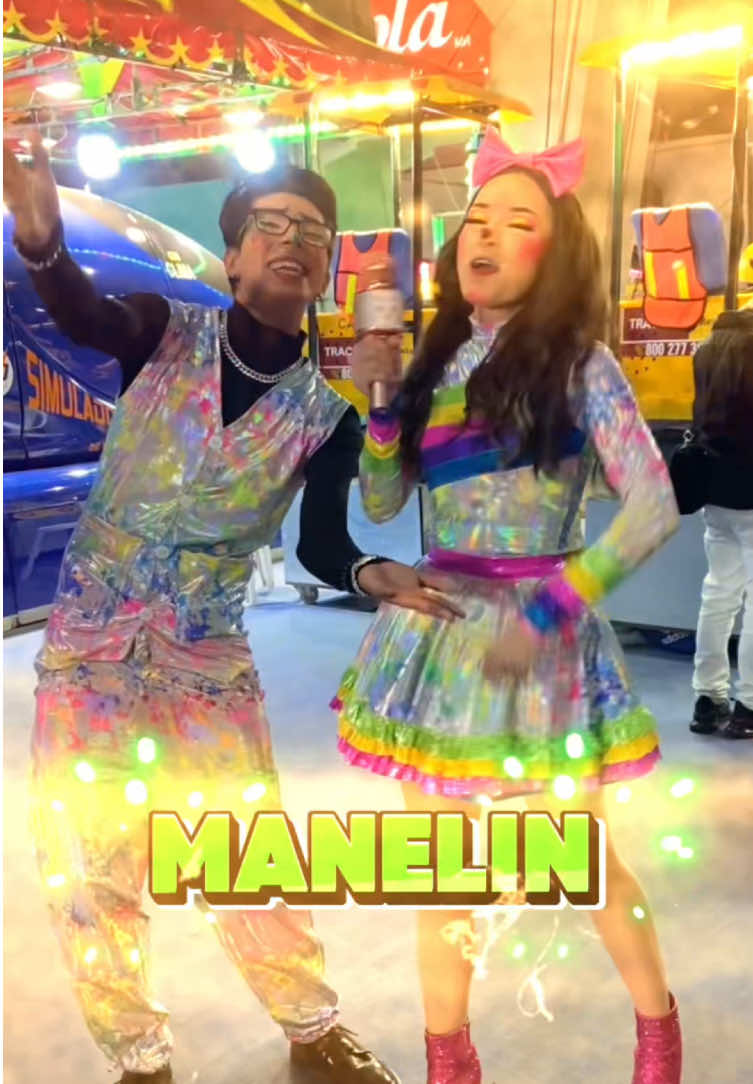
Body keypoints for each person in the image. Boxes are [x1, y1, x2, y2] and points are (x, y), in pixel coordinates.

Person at [3, 134, 460, 1084]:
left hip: (206, 658)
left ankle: (310, 1025)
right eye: (271, 224)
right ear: (234, 256)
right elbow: (79, 311)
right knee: (87, 861)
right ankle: (138, 1054)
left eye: (313, 232)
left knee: (244, 847)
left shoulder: (325, 416)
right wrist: (42, 241)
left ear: (326, 271)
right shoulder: (158, 329)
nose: (292, 239)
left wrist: (370, 573)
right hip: (90, 649)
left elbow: (324, 545)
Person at [333, 128, 683, 1084]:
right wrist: (378, 408)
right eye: (475, 218)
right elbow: (381, 505)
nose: (482, 235)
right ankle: (449, 1062)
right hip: (436, 634)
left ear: (553, 251)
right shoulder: (431, 360)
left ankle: (657, 1032)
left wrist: (549, 612)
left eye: (514, 220)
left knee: (580, 857)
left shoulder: (580, 363)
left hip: (547, 637)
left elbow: (652, 506)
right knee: (441, 871)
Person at [689, 303, 753, 739]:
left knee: (718, 594)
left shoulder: (706, 351)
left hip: (715, 491)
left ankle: (708, 700)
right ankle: (749, 705)